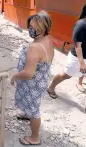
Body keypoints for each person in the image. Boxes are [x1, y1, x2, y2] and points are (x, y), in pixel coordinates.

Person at [48, 0, 86, 116]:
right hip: (78, 60)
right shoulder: (81, 25)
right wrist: (82, 63)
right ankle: (51, 88)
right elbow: (77, 46)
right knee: (66, 75)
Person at [10, 11, 54, 145]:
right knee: (31, 106)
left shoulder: (35, 47)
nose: (31, 30)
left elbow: (28, 73)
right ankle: (26, 114)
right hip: (40, 81)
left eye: (35, 28)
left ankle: (34, 138)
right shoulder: (48, 40)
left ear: (44, 27)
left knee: (35, 111)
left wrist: (14, 77)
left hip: (32, 83)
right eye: (30, 27)